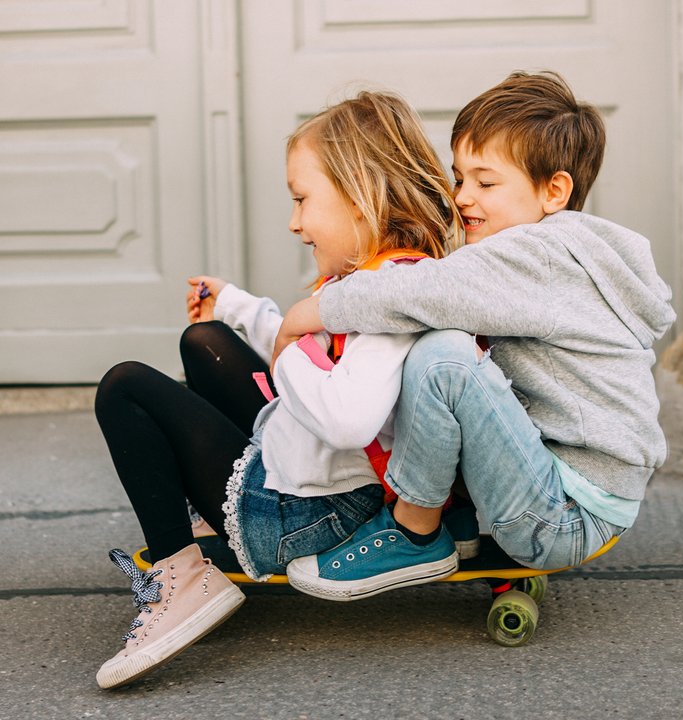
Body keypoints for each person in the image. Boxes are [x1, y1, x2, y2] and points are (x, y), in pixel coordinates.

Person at [92, 90, 460, 689]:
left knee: (125, 388)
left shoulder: (389, 298)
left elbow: (347, 418)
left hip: (308, 513)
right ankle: (203, 523)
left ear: (360, 194)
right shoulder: (384, 275)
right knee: (203, 338)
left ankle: (182, 580)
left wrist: (290, 345)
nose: (294, 221)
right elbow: (322, 347)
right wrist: (239, 308)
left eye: (302, 200)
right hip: (315, 477)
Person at [280, 71, 676, 601]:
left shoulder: (541, 255)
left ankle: (414, 531)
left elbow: (421, 292)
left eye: (485, 183)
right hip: (564, 487)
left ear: (554, 191)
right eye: (459, 177)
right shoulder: (557, 255)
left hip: (565, 515)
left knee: (443, 356)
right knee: (455, 353)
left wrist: (314, 311)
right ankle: (458, 522)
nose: (462, 196)